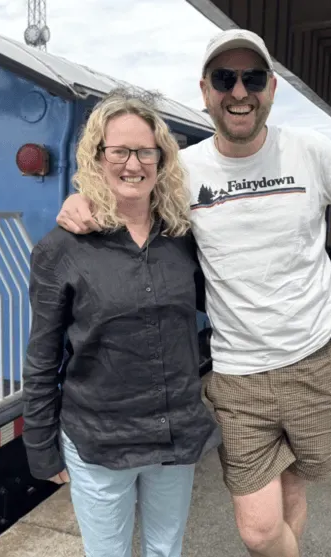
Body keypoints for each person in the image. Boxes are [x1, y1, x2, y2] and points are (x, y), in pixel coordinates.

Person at [55, 29, 331, 557]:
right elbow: (128, 196)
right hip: (238, 377)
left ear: (271, 89)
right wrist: (80, 201)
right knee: (257, 529)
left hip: (315, 359)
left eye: (253, 78)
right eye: (225, 79)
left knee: (293, 488)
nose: (239, 91)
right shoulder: (185, 170)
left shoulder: (309, 150)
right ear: (205, 90)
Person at [21, 87, 221, 557]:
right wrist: (39, 444)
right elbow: (42, 355)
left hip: (173, 435)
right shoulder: (60, 249)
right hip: (98, 441)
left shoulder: (182, 238)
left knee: (164, 551)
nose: (133, 164)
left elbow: (224, 308)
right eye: (120, 151)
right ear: (97, 156)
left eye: (145, 151)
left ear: (162, 157)